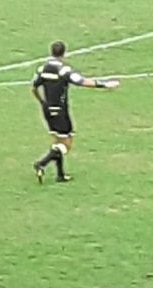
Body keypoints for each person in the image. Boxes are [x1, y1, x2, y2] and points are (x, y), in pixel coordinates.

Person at [31, 40, 119, 184]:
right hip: (60, 111)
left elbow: (33, 87)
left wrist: (42, 102)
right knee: (66, 144)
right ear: (64, 53)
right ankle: (41, 163)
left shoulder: (42, 69)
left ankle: (60, 175)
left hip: (47, 110)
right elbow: (82, 81)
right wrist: (105, 84)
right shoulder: (64, 70)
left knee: (57, 141)